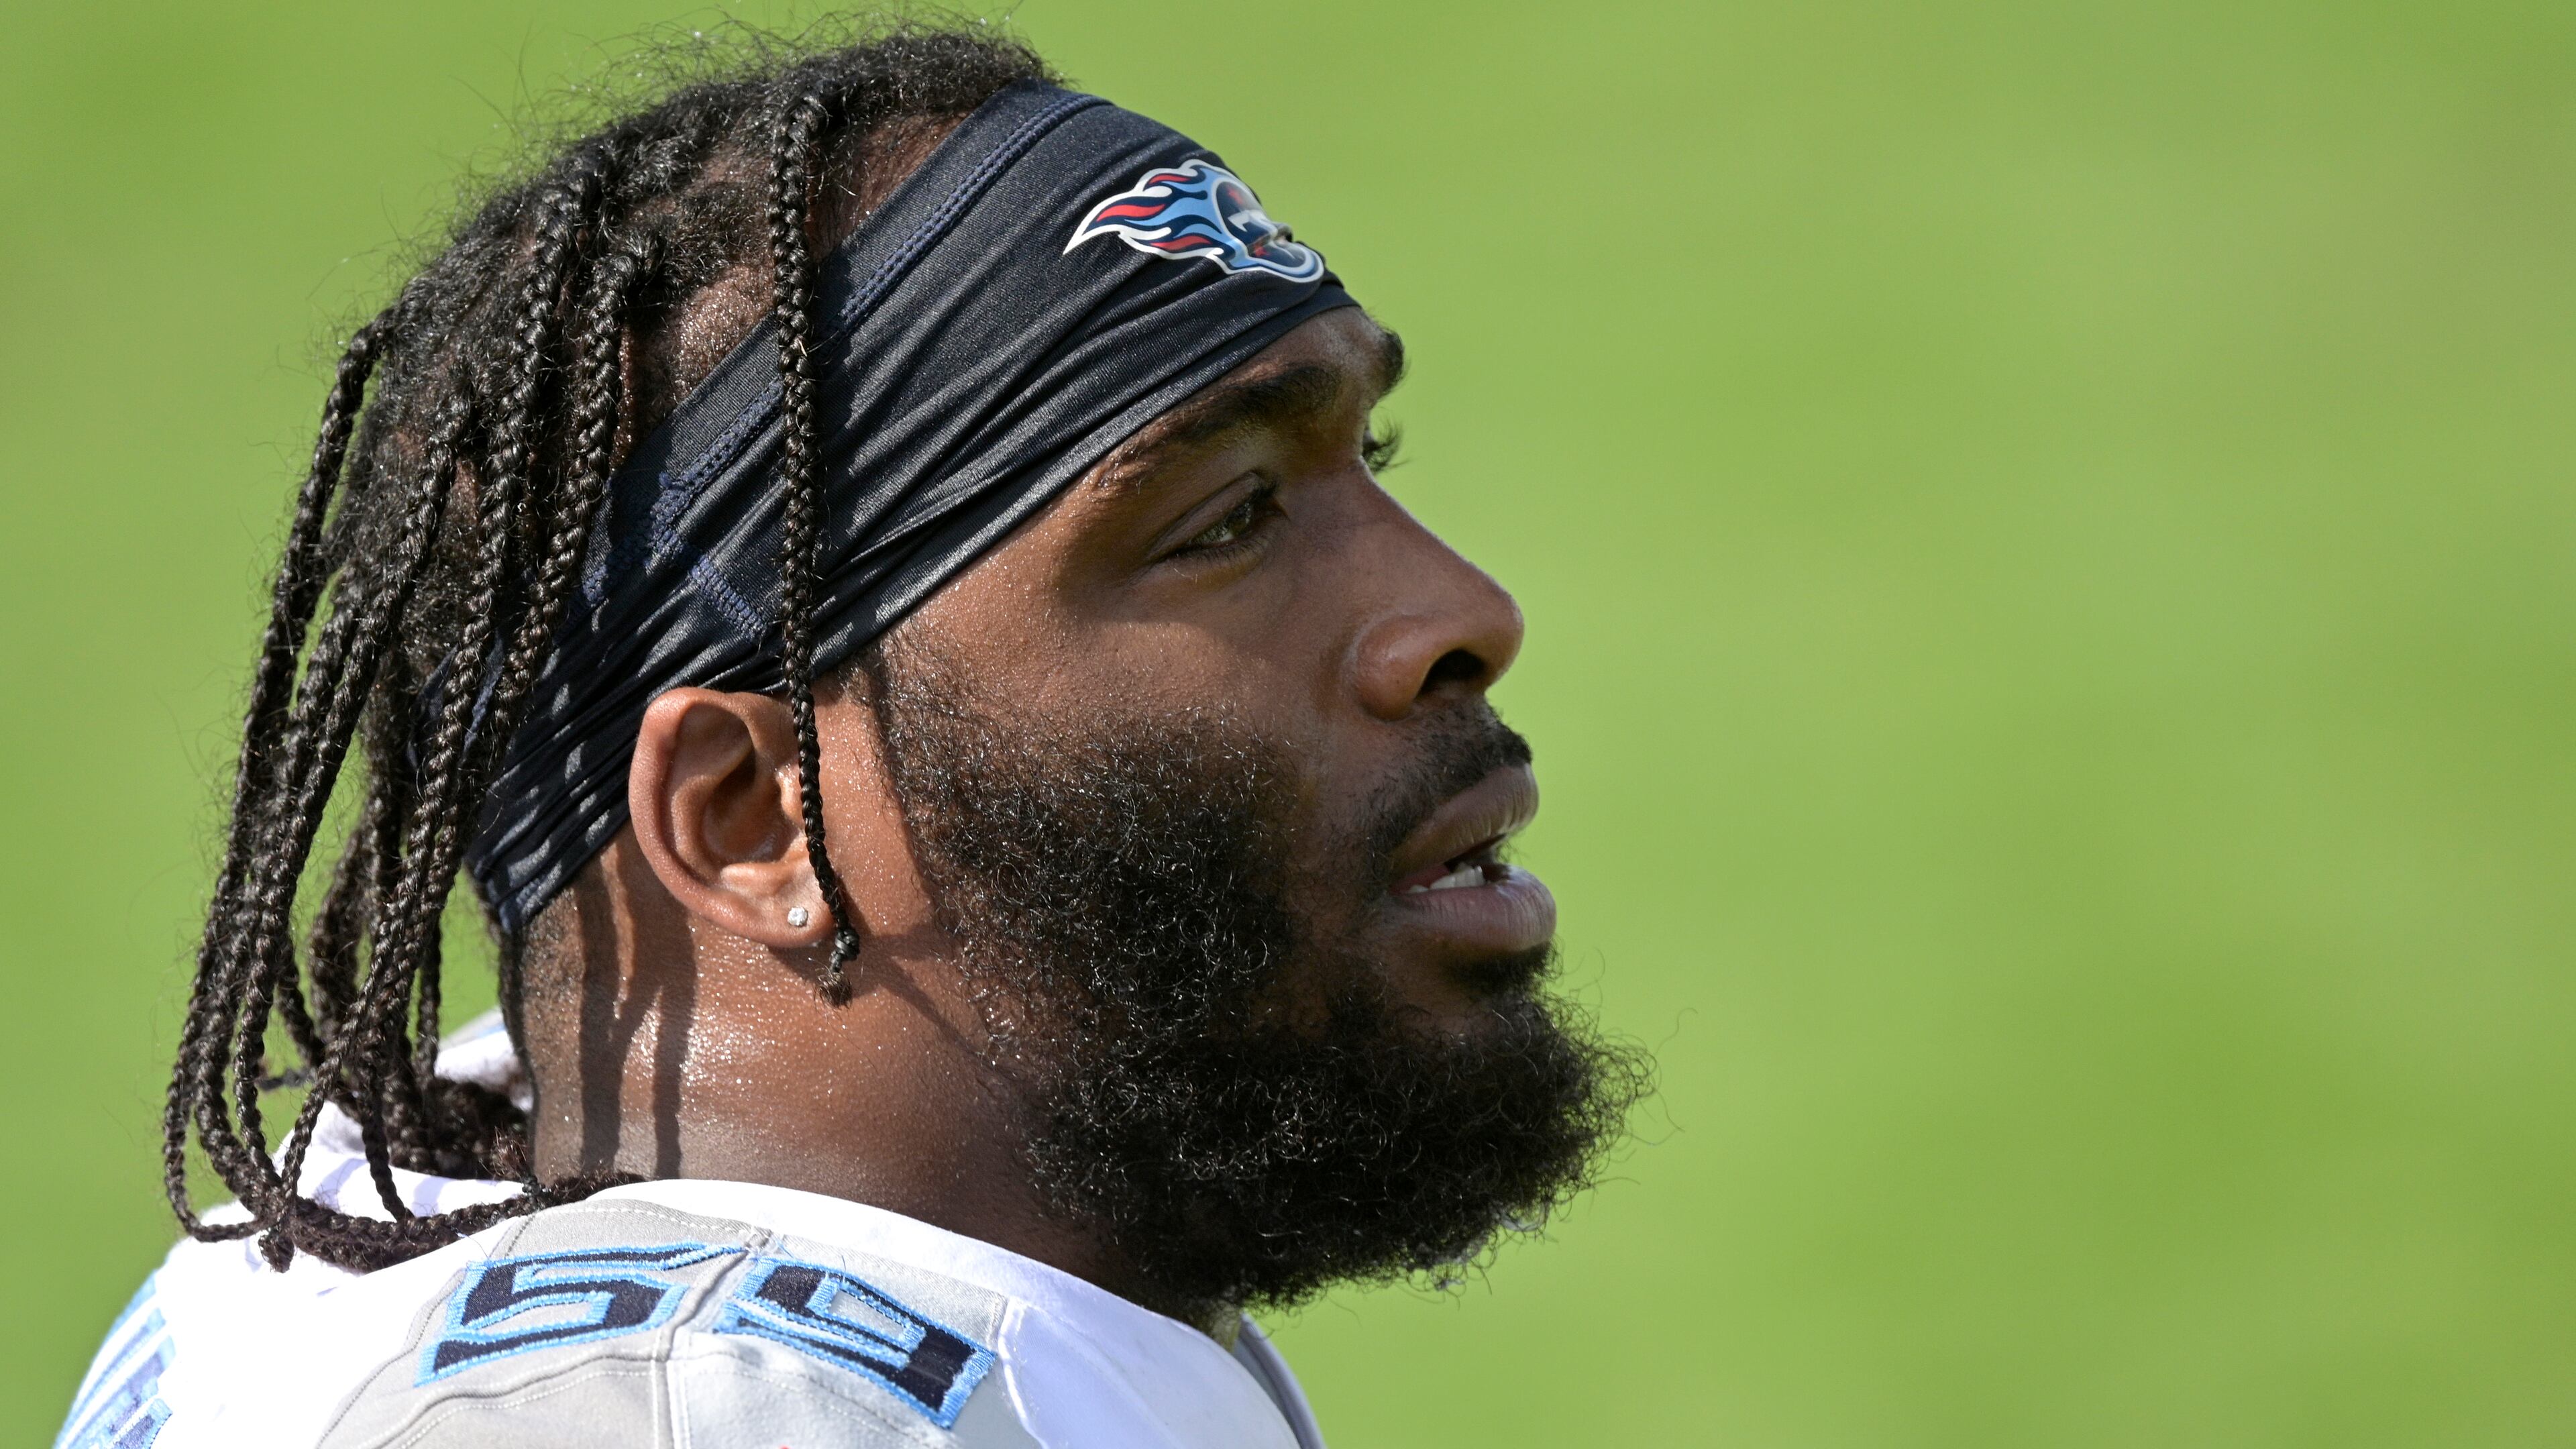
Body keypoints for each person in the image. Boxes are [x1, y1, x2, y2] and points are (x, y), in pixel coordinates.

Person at [60, 23, 1642, 1449]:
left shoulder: (477, 1195)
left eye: (1372, 454)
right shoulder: (684, 1423)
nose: (1463, 611)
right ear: (757, 819)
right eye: (1226, 520)